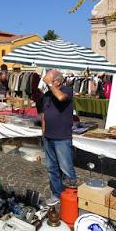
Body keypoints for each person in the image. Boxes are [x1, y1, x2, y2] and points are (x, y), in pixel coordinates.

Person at [42, 69, 77, 205]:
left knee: (66, 168)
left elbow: (61, 98)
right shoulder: (47, 95)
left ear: (58, 81)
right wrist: (43, 132)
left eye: (49, 81)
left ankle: (72, 197)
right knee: (52, 168)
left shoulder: (66, 90)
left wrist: (49, 85)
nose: (46, 84)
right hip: (48, 136)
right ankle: (57, 194)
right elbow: (44, 114)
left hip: (62, 137)